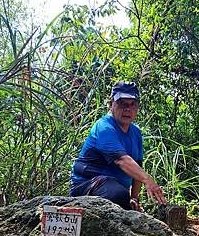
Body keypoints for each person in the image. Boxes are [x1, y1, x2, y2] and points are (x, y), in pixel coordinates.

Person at [69, 81, 167, 211]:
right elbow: (122, 160)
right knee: (117, 194)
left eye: (132, 104)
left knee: (121, 196)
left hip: (117, 188)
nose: (127, 109)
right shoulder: (104, 127)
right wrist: (148, 181)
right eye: (122, 103)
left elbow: (137, 167)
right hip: (88, 185)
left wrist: (134, 198)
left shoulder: (136, 133)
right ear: (111, 104)